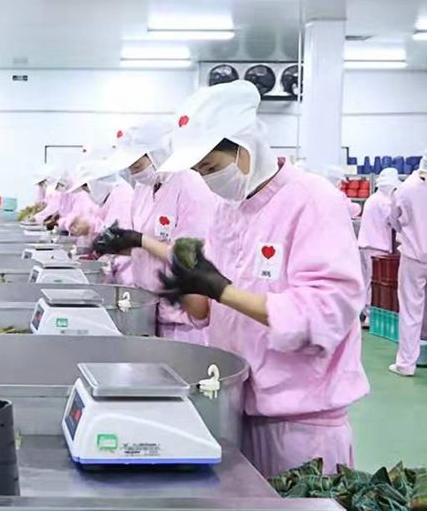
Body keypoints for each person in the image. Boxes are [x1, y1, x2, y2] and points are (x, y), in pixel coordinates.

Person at [155, 80, 369, 477]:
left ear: (246, 146)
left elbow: (326, 312)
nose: (207, 180)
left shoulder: (312, 200)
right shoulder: (229, 211)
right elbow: (213, 312)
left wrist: (222, 290)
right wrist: (189, 288)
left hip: (301, 426)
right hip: (239, 405)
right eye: (199, 172)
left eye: (212, 168)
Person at [91, 119, 218, 344]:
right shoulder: (143, 189)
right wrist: (121, 246)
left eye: (137, 165)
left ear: (157, 154)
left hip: (182, 319)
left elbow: (192, 257)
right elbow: (147, 246)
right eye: (130, 168)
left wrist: (141, 241)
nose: (134, 172)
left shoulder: (191, 187)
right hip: (148, 306)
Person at [388, 146, 427, 377]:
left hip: (413, 256)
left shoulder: (406, 189)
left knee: (410, 311)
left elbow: (394, 221)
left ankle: (406, 364)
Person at [357, 168, 401, 325]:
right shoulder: (385, 202)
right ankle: (369, 314)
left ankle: (362, 311)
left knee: (366, 280)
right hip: (377, 247)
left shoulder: (372, 199)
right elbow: (394, 222)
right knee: (373, 282)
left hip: (365, 244)